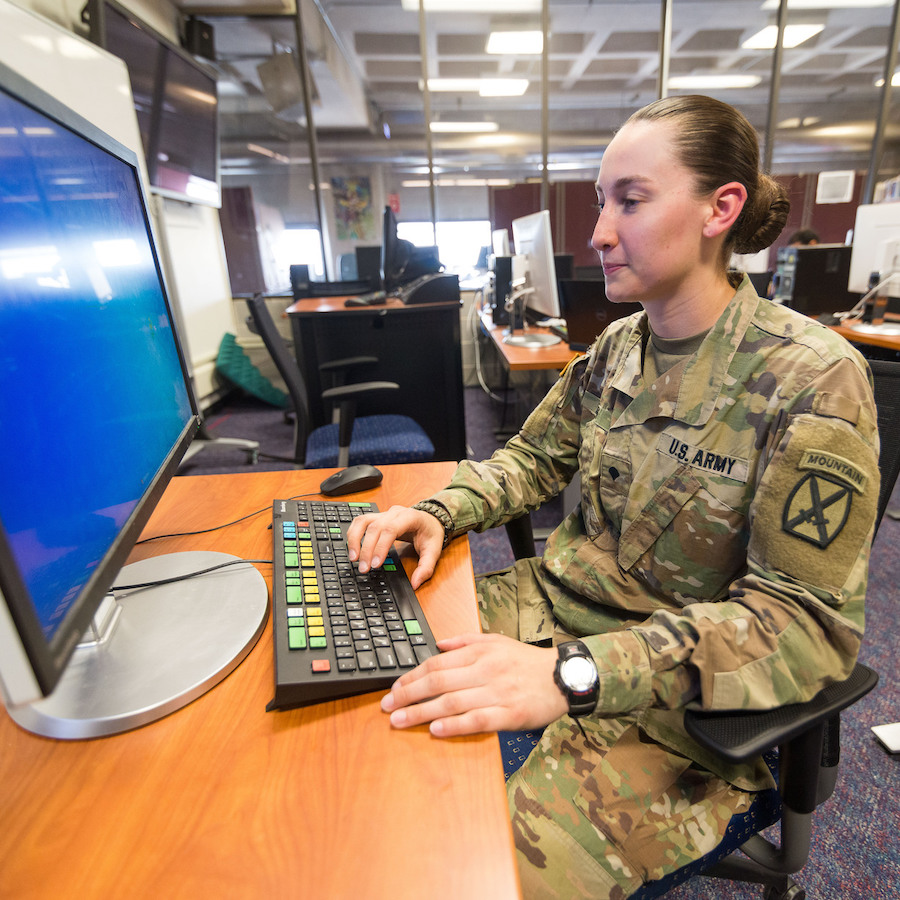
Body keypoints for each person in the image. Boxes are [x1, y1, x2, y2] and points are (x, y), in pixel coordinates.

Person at [346, 95, 880, 899]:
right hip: (555, 613)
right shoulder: (620, 347)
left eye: (629, 200)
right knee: (351, 674)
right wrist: (439, 509)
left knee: (465, 877)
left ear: (719, 208)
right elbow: (530, 459)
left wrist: (573, 676)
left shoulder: (812, 377)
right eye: (602, 201)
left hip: (687, 716)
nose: (598, 231)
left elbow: (802, 628)